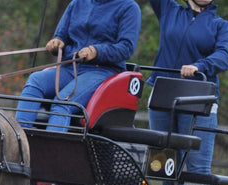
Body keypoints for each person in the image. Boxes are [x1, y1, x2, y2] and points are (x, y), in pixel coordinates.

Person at [15, 0, 141, 131]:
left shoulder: (129, 7)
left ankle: (53, 150)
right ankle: (21, 142)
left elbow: (126, 48)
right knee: (35, 81)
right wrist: (56, 43)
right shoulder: (77, 3)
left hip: (102, 71)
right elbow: (61, 36)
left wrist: (96, 51)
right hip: (71, 66)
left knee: (63, 101)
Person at [147, 0, 228, 177]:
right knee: (163, 165)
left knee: (198, 168)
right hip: (163, 94)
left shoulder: (221, 26)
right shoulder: (169, 10)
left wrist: (199, 66)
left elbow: (224, 56)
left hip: (199, 99)